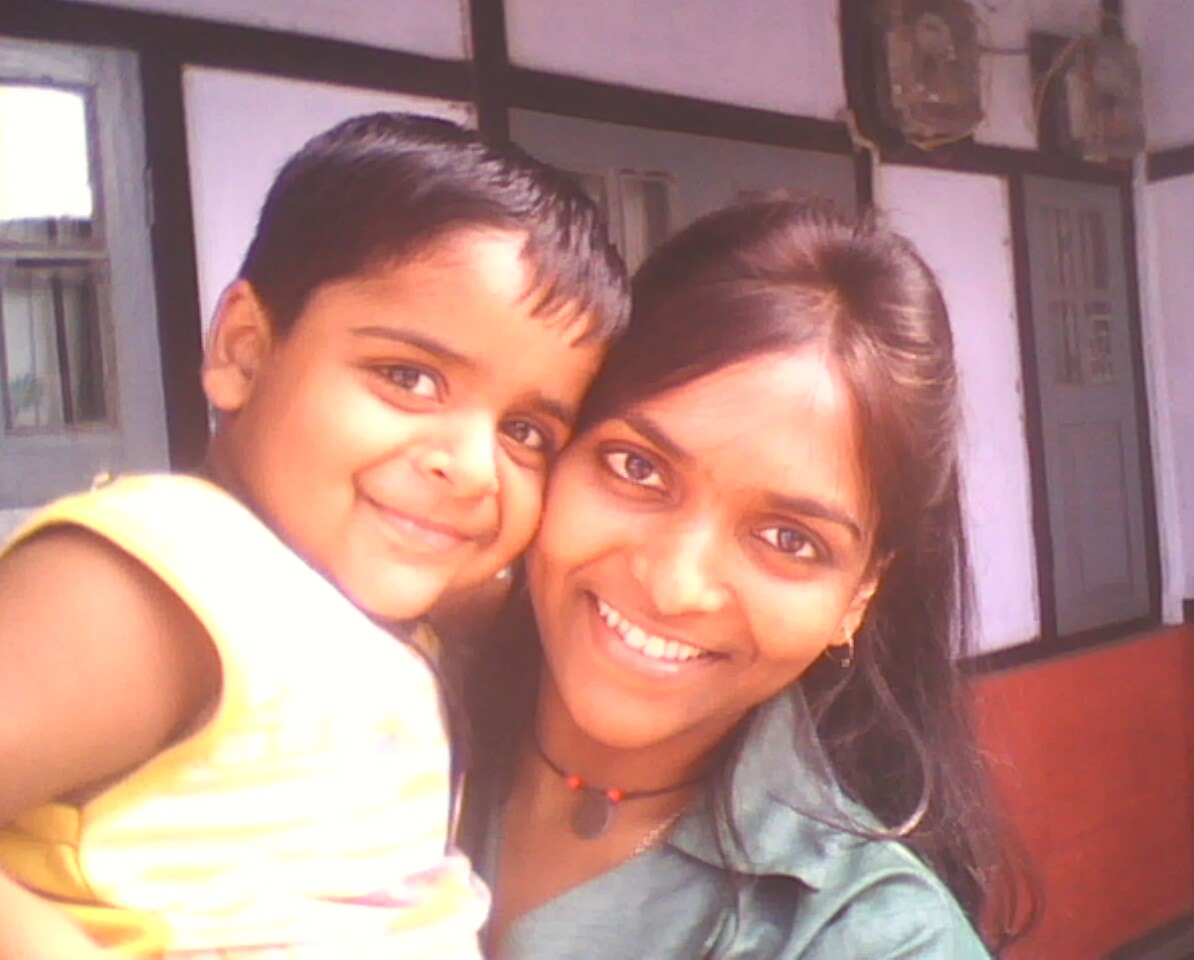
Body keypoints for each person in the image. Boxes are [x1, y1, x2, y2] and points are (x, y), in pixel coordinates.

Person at [0, 113, 628, 959]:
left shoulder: (352, 607)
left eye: (526, 433)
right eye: (409, 378)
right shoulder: (165, 579)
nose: (474, 468)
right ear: (244, 351)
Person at [461, 198, 1028, 958]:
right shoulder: (365, 693)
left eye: (789, 539)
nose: (675, 585)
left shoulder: (875, 939)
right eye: (637, 468)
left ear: (859, 595)